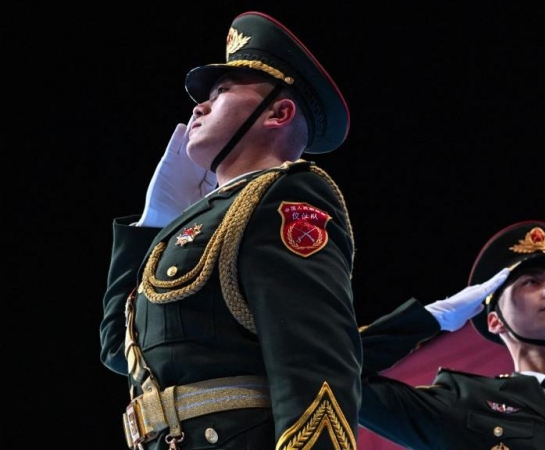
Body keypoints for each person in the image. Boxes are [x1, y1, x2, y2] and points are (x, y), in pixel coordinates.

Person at [99, 11, 361, 450]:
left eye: (221, 92)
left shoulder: (286, 198)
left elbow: (315, 365)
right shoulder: (194, 223)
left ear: (278, 112)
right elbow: (116, 350)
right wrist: (155, 222)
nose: (198, 106)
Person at [359, 220, 545, 449]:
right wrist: (432, 319)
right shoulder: (464, 401)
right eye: (531, 282)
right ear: (495, 321)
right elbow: (332, 373)